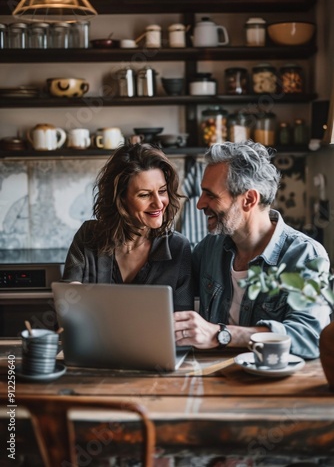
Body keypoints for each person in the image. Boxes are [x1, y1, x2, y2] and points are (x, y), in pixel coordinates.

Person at [174, 140, 331, 359]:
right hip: (214, 378)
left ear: (248, 199)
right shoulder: (210, 247)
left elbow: (309, 337)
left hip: (274, 384)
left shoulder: (304, 255)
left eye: (211, 195)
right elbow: (174, 289)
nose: (199, 204)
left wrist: (221, 335)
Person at [62, 142, 194, 312]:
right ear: (121, 198)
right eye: (145, 195)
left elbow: (183, 320)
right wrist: (71, 296)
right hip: (95, 339)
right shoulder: (88, 236)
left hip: (153, 340)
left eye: (162, 191)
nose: (158, 203)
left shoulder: (178, 247)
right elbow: (68, 304)